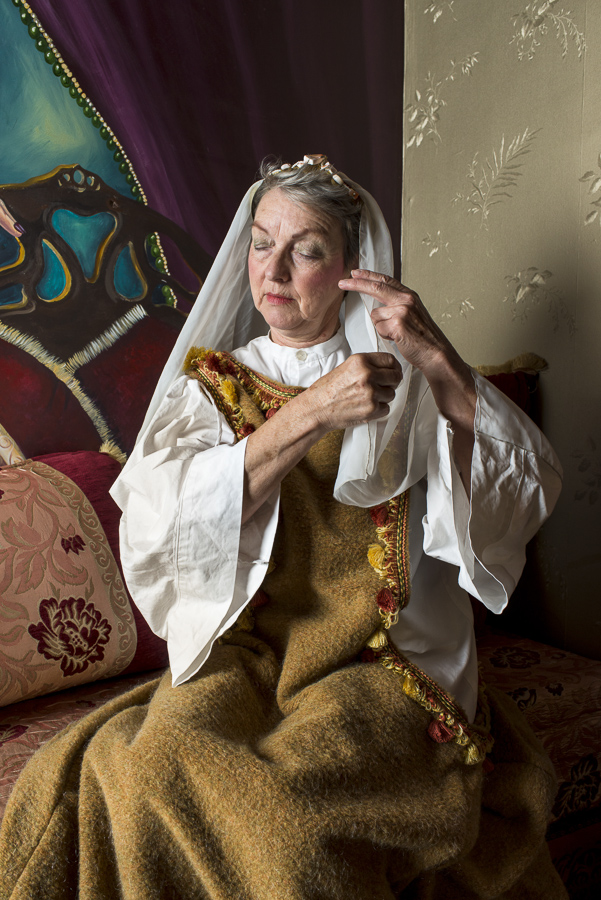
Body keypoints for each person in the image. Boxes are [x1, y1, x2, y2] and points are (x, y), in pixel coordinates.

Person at [0, 155, 566, 899]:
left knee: (287, 823)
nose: (272, 270)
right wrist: (311, 413)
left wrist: (437, 357)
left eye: (306, 250)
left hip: (378, 663)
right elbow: (161, 532)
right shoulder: (211, 388)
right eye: (262, 243)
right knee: (137, 769)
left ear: (352, 269)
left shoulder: (409, 380)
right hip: (249, 653)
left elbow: (519, 494)